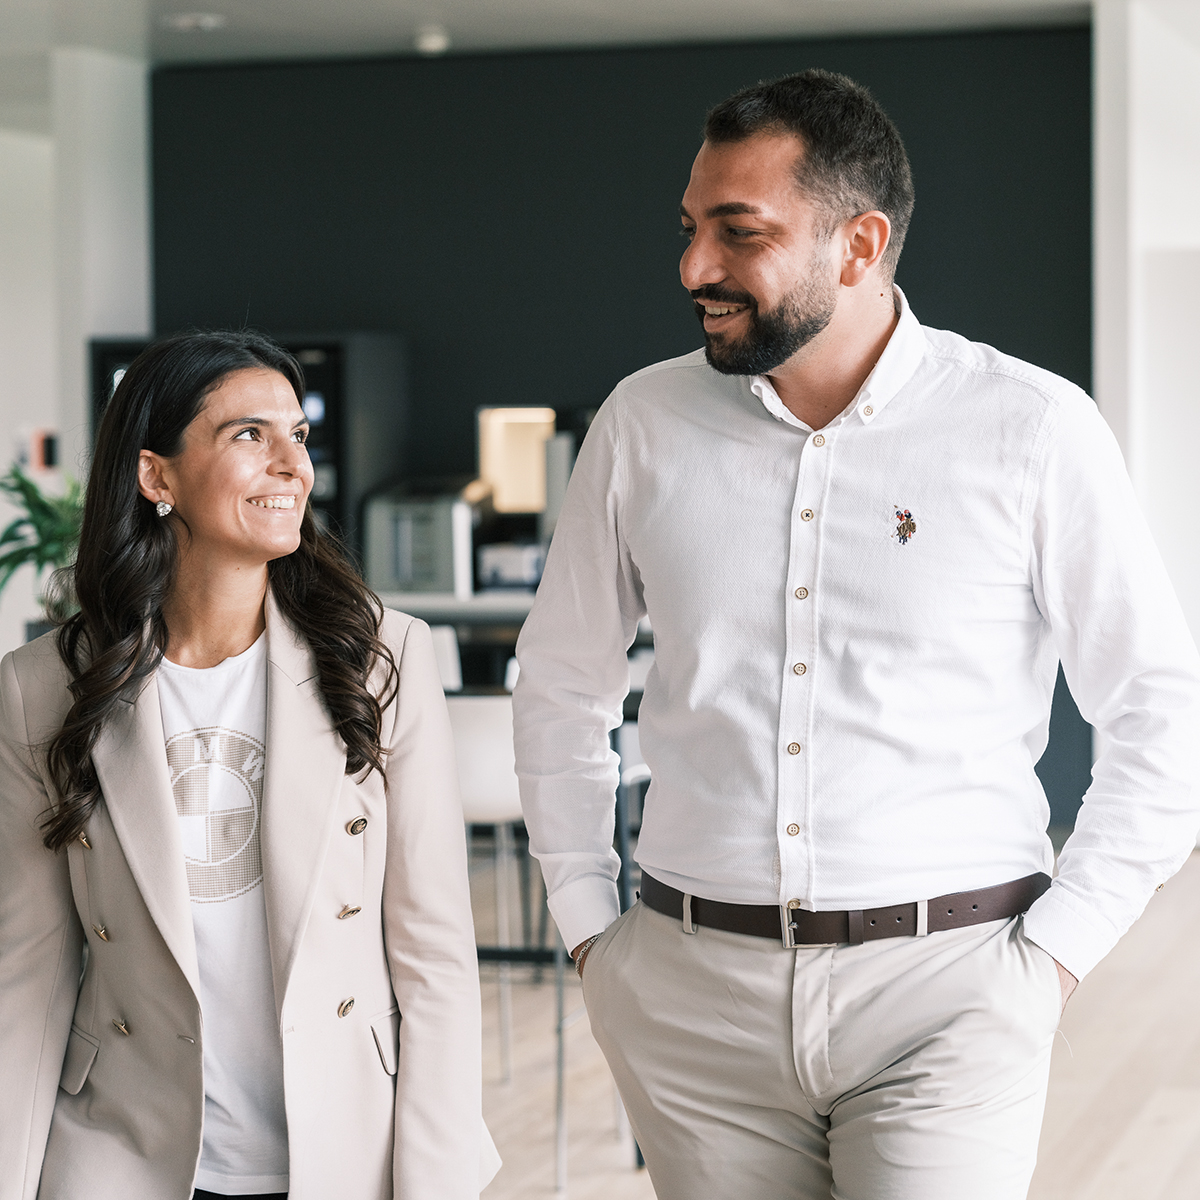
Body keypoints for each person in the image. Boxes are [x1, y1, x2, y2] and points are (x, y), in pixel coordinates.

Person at [513, 69, 1200, 1200]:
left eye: (739, 234)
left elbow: (1159, 716)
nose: (694, 269)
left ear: (859, 243)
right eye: (690, 230)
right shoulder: (642, 421)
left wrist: (1053, 958)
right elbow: (560, 687)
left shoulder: (1031, 429)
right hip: (690, 997)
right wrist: (593, 928)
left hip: (950, 996)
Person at [0, 331, 499, 1200]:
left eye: (297, 436)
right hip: (122, 1154)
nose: (291, 465)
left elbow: (435, 954)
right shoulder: (43, 688)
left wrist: (438, 1179)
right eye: (248, 436)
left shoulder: (381, 659)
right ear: (157, 478)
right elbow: (27, 971)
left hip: (346, 1150)